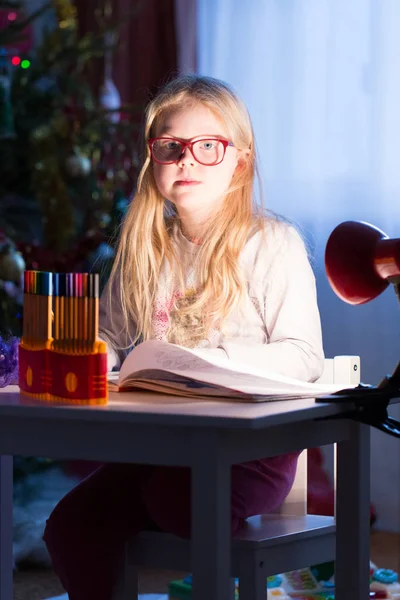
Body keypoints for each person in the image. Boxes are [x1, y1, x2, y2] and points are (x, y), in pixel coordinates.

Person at [43, 74, 324, 600]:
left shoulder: (272, 244)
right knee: (70, 527)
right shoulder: (147, 251)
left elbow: (305, 357)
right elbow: (111, 337)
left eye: (208, 147)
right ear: (154, 161)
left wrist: (204, 359)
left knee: (179, 500)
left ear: (239, 162)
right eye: (171, 147)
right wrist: (88, 354)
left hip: (250, 451)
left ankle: (265, 577)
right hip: (161, 444)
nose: (187, 160)